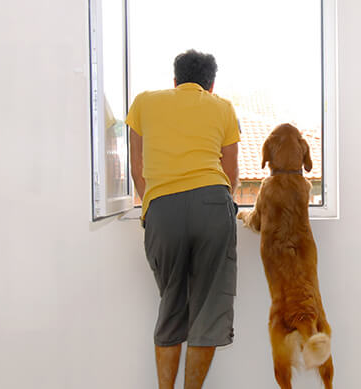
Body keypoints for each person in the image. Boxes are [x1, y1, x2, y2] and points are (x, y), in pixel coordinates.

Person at [126, 49, 240, 389]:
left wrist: (154, 206)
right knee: (207, 309)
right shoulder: (222, 107)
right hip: (212, 205)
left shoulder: (144, 102)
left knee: (172, 305)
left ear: (175, 80)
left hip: (163, 209)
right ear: (211, 84)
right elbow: (231, 173)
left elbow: (138, 168)